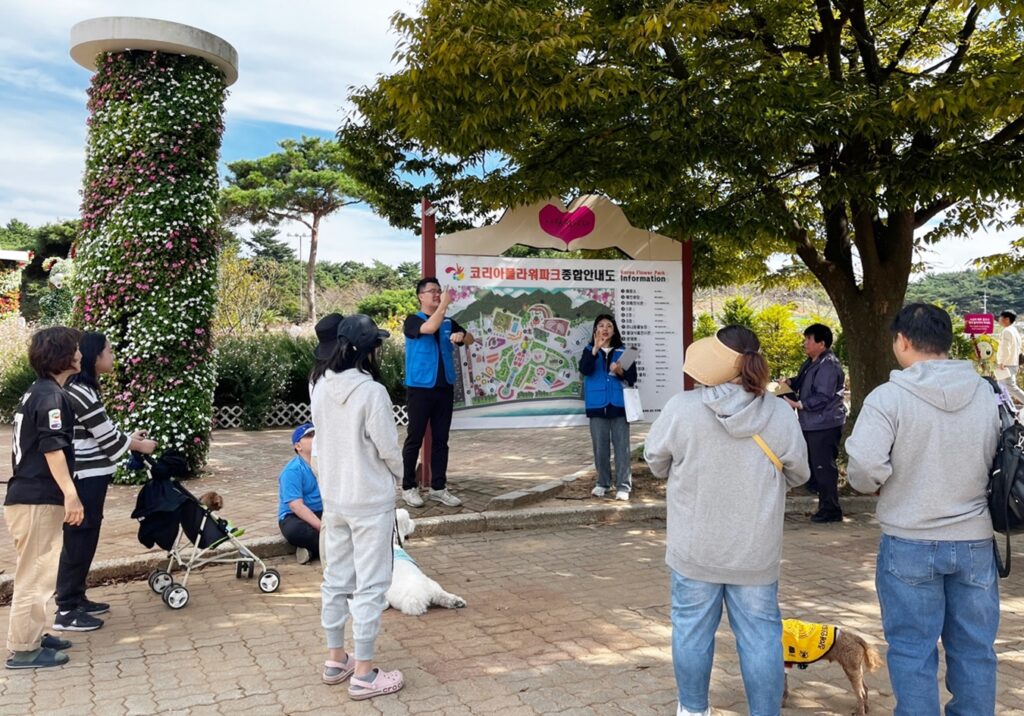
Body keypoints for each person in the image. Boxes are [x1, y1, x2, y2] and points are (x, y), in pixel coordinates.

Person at [644, 326, 810, 716]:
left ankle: (693, 710)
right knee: (760, 638)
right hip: (755, 549)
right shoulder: (779, 413)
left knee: (691, 631)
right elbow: (799, 472)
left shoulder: (682, 407)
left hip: (694, 545)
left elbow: (655, 462)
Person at [846, 303, 1000, 715]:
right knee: (975, 649)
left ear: (902, 340)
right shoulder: (988, 394)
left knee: (913, 650)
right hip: (974, 541)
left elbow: (863, 469)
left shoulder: (889, 397)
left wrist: (878, 484)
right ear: (947, 342)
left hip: (909, 541)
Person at [311, 314, 405, 699]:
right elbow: (388, 448)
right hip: (369, 500)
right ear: (368, 351)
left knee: (336, 579)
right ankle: (364, 674)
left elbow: (318, 446)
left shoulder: (319, 387)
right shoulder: (372, 393)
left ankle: (337, 659)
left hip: (334, 498)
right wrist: (399, 476)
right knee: (370, 585)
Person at [55, 332, 157, 632]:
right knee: (79, 539)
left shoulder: (83, 389)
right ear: (93, 357)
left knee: (86, 538)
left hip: (92, 476)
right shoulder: (81, 391)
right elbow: (108, 439)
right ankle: (66, 608)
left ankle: (77, 597)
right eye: (108, 351)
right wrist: (137, 445)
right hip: (85, 477)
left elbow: (106, 431)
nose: (112, 356)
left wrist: (128, 439)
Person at [5, 327, 85, 670]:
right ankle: (24, 649)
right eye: (76, 348)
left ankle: (35, 634)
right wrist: (72, 496)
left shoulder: (39, 392)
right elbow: (53, 450)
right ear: (62, 356)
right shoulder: (51, 397)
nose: (81, 353)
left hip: (29, 496)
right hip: (37, 498)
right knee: (34, 576)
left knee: (41, 572)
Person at [400, 277, 474, 508]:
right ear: (420, 296)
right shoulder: (413, 320)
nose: (437, 295)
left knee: (441, 439)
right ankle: (408, 487)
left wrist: (462, 337)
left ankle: (439, 487)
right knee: (415, 438)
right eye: (432, 291)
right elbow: (429, 327)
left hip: (444, 387)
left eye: (439, 291)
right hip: (420, 387)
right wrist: (444, 304)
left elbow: (470, 338)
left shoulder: (449, 322)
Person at [778, 323, 846, 523]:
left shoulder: (829, 366)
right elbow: (801, 381)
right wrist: (789, 383)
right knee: (815, 466)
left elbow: (823, 396)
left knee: (823, 467)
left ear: (822, 343)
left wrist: (798, 404)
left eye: (809, 339)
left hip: (825, 424)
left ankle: (831, 509)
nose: (805, 343)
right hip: (811, 423)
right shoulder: (811, 362)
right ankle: (824, 503)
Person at [579, 314, 637, 500]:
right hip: (597, 405)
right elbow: (585, 370)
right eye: (601, 325)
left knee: (622, 447)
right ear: (596, 330)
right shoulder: (589, 350)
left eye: (609, 326)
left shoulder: (624, 351)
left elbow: (632, 378)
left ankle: (623, 486)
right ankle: (602, 483)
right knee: (600, 448)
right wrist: (595, 349)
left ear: (614, 331)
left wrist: (620, 371)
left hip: (619, 405)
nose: (605, 329)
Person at [278, 422, 323, 564]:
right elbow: (296, 506)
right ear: (298, 446)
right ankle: (326, 548)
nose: (315, 438)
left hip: (322, 510)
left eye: (316, 434)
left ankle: (312, 551)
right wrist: (322, 527)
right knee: (296, 531)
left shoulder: (326, 464)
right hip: (294, 516)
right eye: (309, 436)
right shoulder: (292, 471)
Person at [995, 309, 1024, 409]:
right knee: (1002, 389)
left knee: (1010, 387)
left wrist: (1001, 362)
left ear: (1006, 319)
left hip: (1007, 364)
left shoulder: (1007, 331)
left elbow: (1005, 348)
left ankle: (1008, 409)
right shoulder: (1014, 330)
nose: (999, 319)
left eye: (1001, 317)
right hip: (1013, 363)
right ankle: (1008, 409)